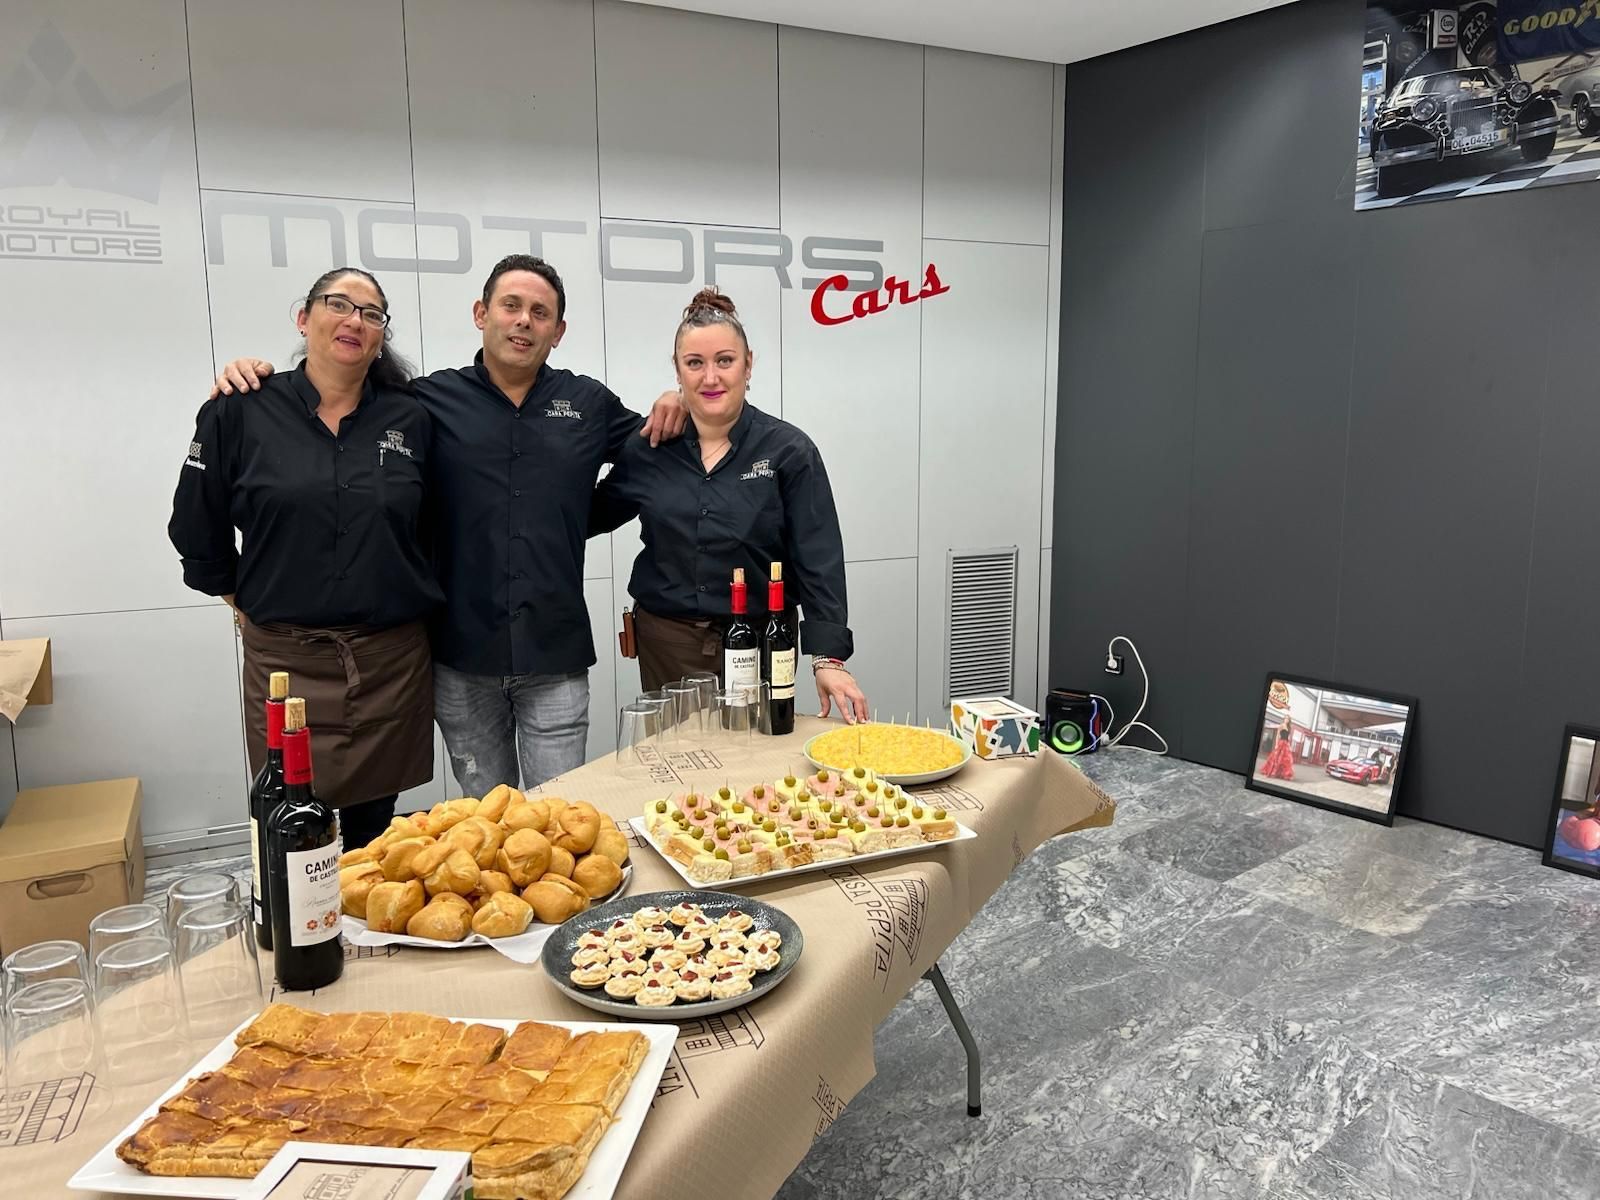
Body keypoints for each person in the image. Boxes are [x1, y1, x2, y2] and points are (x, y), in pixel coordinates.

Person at [211, 256, 685, 797]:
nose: (523, 321)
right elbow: (339, 407)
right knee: (486, 820)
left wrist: (673, 402)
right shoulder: (423, 403)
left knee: (559, 814)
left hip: (554, 654)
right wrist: (252, 378)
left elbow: (652, 456)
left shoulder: (587, 403)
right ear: (482, 313)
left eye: (540, 312)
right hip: (459, 657)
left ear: (558, 331)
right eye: (510, 306)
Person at [170, 267, 440, 848]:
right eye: (338, 304)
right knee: (289, 820)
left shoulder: (411, 419)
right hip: (285, 663)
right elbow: (197, 522)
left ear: (380, 336)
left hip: (388, 661)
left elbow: (438, 528)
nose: (354, 321)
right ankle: (300, 936)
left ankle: (372, 938)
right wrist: (235, 595)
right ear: (304, 317)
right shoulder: (240, 409)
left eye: (371, 314)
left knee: (374, 827)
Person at [589, 288, 870, 723]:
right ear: (677, 372)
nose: (710, 377)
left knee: (758, 769)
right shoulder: (649, 449)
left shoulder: (789, 451)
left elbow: (819, 557)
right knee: (684, 772)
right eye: (695, 364)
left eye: (725, 360)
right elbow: (592, 513)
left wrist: (828, 658)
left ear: (748, 364)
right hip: (669, 646)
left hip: (763, 643)